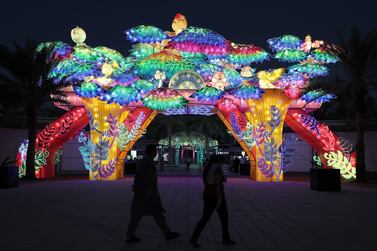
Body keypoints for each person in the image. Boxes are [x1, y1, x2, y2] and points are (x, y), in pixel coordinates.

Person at [126, 144, 180, 243]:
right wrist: (139, 188)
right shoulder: (148, 162)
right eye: (155, 150)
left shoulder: (146, 161)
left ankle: (167, 234)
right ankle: (130, 235)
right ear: (152, 151)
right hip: (146, 194)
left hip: (146, 193)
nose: (156, 152)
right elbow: (144, 177)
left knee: (154, 214)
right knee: (140, 215)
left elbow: (140, 176)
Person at [190, 155, 236, 248]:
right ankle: (225, 239)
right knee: (223, 218)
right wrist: (219, 199)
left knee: (205, 218)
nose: (223, 163)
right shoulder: (217, 169)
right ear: (219, 161)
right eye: (222, 161)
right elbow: (217, 184)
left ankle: (194, 238)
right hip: (216, 197)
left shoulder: (208, 168)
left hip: (207, 195)